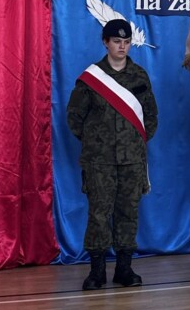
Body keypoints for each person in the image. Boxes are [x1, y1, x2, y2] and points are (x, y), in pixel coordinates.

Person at [67, 18, 158, 290]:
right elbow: (74, 118)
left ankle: (124, 268)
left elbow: (151, 117)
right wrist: (97, 142)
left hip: (132, 159)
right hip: (100, 161)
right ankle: (97, 271)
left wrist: (134, 142)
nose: (122, 46)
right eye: (117, 41)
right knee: (99, 213)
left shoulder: (140, 76)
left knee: (128, 212)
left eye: (127, 42)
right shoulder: (91, 78)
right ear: (105, 42)